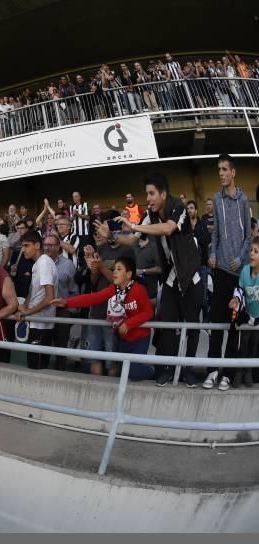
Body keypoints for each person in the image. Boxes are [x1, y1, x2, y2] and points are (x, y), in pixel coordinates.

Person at [101, 172, 202, 387]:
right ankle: (165, 368)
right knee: (165, 324)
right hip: (171, 279)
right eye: (147, 194)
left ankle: (188, 371)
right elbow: (131, 241)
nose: (148, 199)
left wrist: (135, 225)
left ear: (163, 194)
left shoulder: (179, 208)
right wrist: (111, 236)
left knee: (192, 326)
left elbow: (168, 229)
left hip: (191, 276)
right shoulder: (150, 214)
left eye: (152, 193)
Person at [52, 256, 154, 380]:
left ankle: (152, 370)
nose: (114, 272)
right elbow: (93, 298)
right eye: (114, 268)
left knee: (132, 371)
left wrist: (128, 324)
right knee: (124, 371)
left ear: (128, 274)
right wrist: (66, 302)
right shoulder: (113, 290)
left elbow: (148, 313)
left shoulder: (139, 290)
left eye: (119, 269)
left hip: (140, 338)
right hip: (125, 339)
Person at [204, 154, 252, 391]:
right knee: (216, 322)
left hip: (239, 272)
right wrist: (212, 253)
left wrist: (240, 258)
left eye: (224, 169)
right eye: (219, 170)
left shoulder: (244, 201)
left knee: (234, 325)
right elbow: (215, 234)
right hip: (221, 271)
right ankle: (212, 370)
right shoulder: (216, 199)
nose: (221, 173)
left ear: (233, 172)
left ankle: (228, 375)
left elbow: (248, 236)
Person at [15, 231, 56, 370]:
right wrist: (24, 306)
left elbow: (50, 297)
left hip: (42, 324)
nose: (23, 249)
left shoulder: (44, 262)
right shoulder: (37, 264)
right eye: (22, 246)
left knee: (36, 368)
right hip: (36, 322)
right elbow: (33, 292)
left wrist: (27, 312)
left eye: (26, 246)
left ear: (37, 245)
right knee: (33, 365)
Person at [43, 234, 77, 371]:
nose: (47, 248)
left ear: (58, 247)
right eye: (45, 245)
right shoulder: (39, 262)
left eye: (51, 245)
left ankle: (60, 374)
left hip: (61, 313)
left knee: (60, 350)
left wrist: (69, 311)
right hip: (43, 311)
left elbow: (74, 291)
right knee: (42, 348)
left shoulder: (68, 265)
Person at [228, 236, 259, 389]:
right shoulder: (245, 271)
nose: (252, 254)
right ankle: (238, 373)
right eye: (251, 251)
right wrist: (235, 299)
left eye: (256, 251)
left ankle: (249, 374)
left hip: (258, 319)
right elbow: (239, 291)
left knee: (254, 347)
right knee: (243, 346)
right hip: (247, 316)